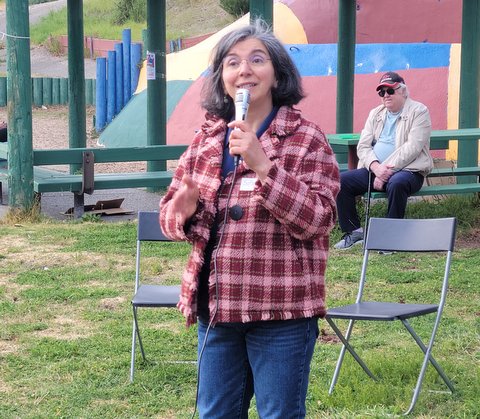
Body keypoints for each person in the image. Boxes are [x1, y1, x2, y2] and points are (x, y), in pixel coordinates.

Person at [159, 20, 339, 419]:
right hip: (217, 311)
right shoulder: (206, 139)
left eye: (257, 59)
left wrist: (264, 166)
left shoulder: (307, 137)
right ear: (221, 78)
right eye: (232, 62)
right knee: (216, 414)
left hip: (282, 313)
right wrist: (183, 213)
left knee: (279, 414)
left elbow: (319, 220)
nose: (244, 70)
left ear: (277, 73)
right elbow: (168, 217)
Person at [334, 71, 433, 250]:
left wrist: (386, 171)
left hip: (409, 171)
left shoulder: (419, 111)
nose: (385, 95)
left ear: (403, 91)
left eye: (390, 91)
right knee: (342, 181)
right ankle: (355, 232)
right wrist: (375, 167)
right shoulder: (375, 113)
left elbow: (413, 148)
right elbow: (363, 146)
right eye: (382, 92)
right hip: (375, 170)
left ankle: (390, 239)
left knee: (397, 183)